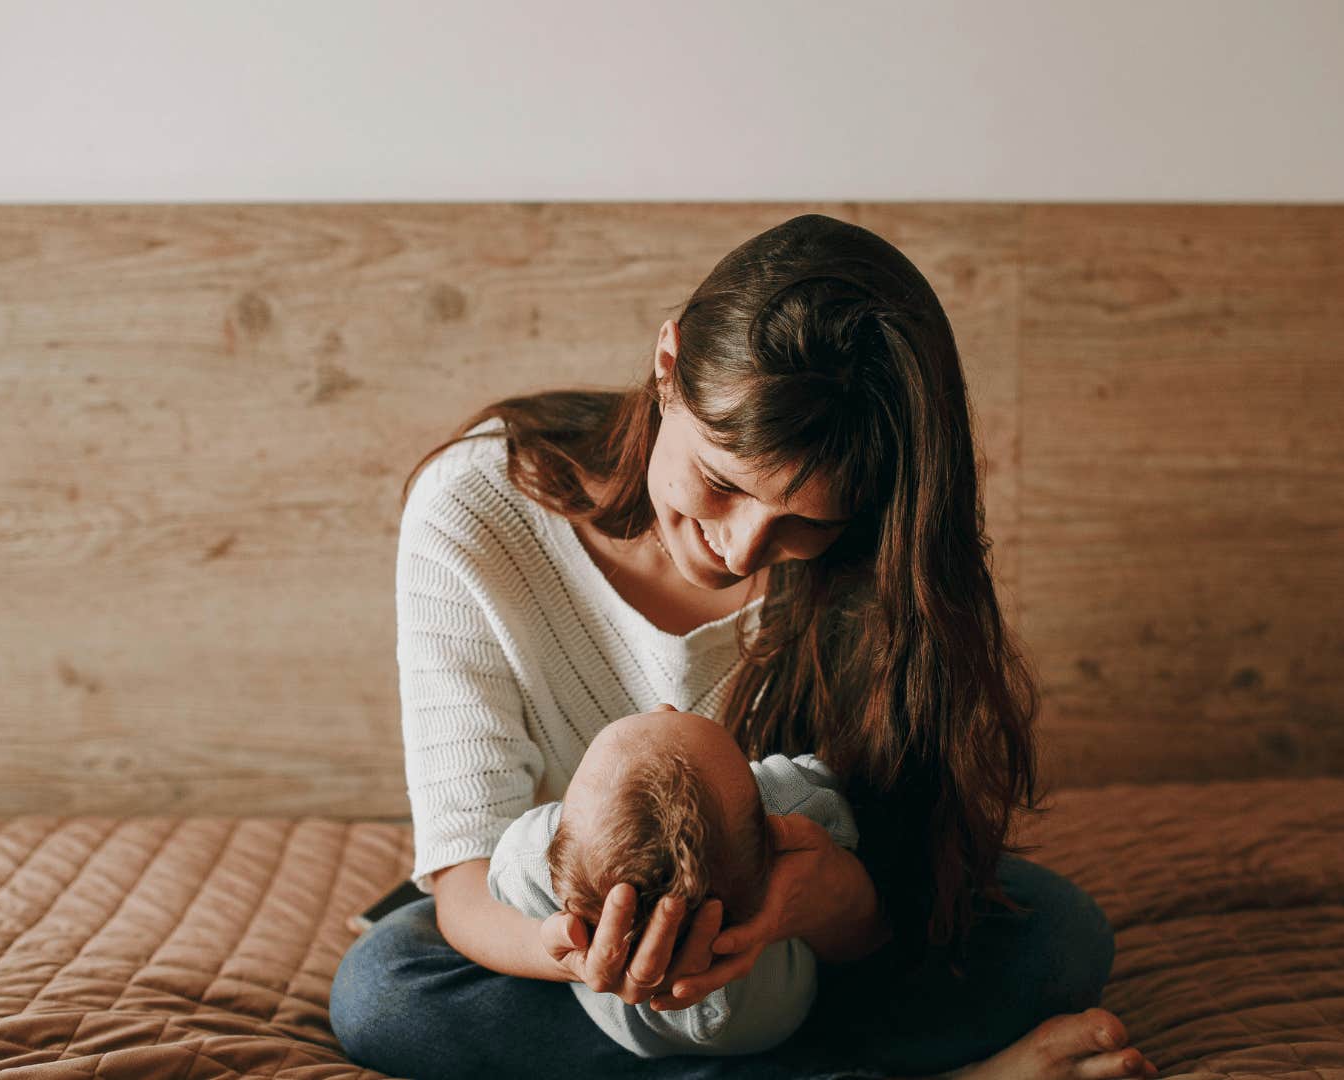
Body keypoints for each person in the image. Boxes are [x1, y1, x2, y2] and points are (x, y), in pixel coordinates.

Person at [330, 213, 1157, 1080]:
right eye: (722, 483)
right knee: (388, 995)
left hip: (796, 954)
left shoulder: (879, 560)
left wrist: (832, 903)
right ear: (667, 368)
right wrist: (584, 955)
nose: (744, 548)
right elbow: (466, 883)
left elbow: (902, 880)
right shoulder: (476, 510)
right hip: (566, 944)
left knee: (1057, 941)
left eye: (806, 521)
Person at [487, 705, 858, 1058]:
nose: (664, 707)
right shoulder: (783, 804)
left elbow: (500, 881)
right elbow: (838, 813)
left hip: (626, 1027)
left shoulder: (534, 854)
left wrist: (559, 843)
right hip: (777, 1010)